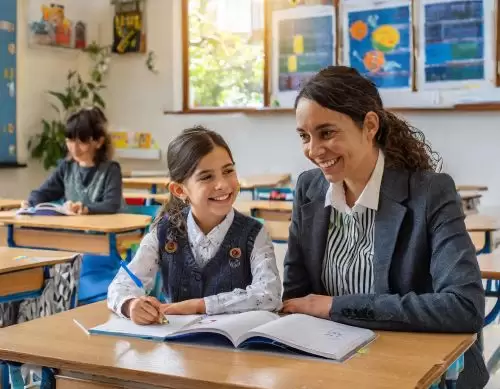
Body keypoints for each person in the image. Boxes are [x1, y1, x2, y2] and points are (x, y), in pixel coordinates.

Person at [281, 66, 488, 388]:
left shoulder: (430, 193)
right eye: (304, 136)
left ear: (370, 126)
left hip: (419, 371)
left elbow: (463, 307)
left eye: (327, 132)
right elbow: (298, 298)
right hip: (334, 368)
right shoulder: (310, 188)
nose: (313, 150)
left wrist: (336, 306)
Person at [107, 126, 282, 324]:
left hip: (236, 346)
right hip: (176, 345)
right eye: (207, 177)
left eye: (228, 171)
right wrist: (130, 305)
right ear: (180, 190)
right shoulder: (164, 231)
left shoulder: (254, 233)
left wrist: (199, 305)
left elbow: (270, 294)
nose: (223, 184)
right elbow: (121, 284)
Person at [24, 106, 123, 214]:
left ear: (99, 142)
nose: (74, 149)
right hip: (77, 229)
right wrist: (30, 202)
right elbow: (42, 193)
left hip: (107, 228)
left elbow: (111, 205)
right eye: (70, 141)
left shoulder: (111, 169)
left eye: (82, 142)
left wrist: (86, 209)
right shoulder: (66, 167)